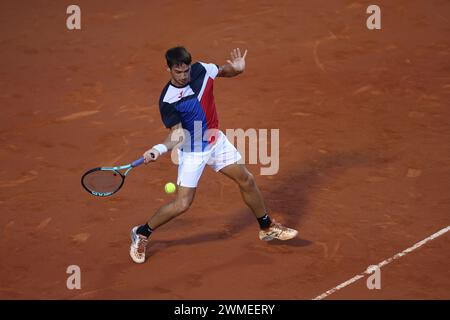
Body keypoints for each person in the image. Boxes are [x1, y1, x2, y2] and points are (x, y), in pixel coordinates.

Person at [130, 46, 298, 263]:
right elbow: (178, 133)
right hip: (192, 150)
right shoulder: (168, 99)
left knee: (246, 179)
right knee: (182, 204)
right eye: (177, 72)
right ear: (168, 69)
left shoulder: (201, 69)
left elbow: (223, 71)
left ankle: (266, 227)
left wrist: (237, 68)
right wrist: (159, 149)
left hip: (215, 141)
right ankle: (142, 233)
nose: (183, 76)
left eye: (186, 71)